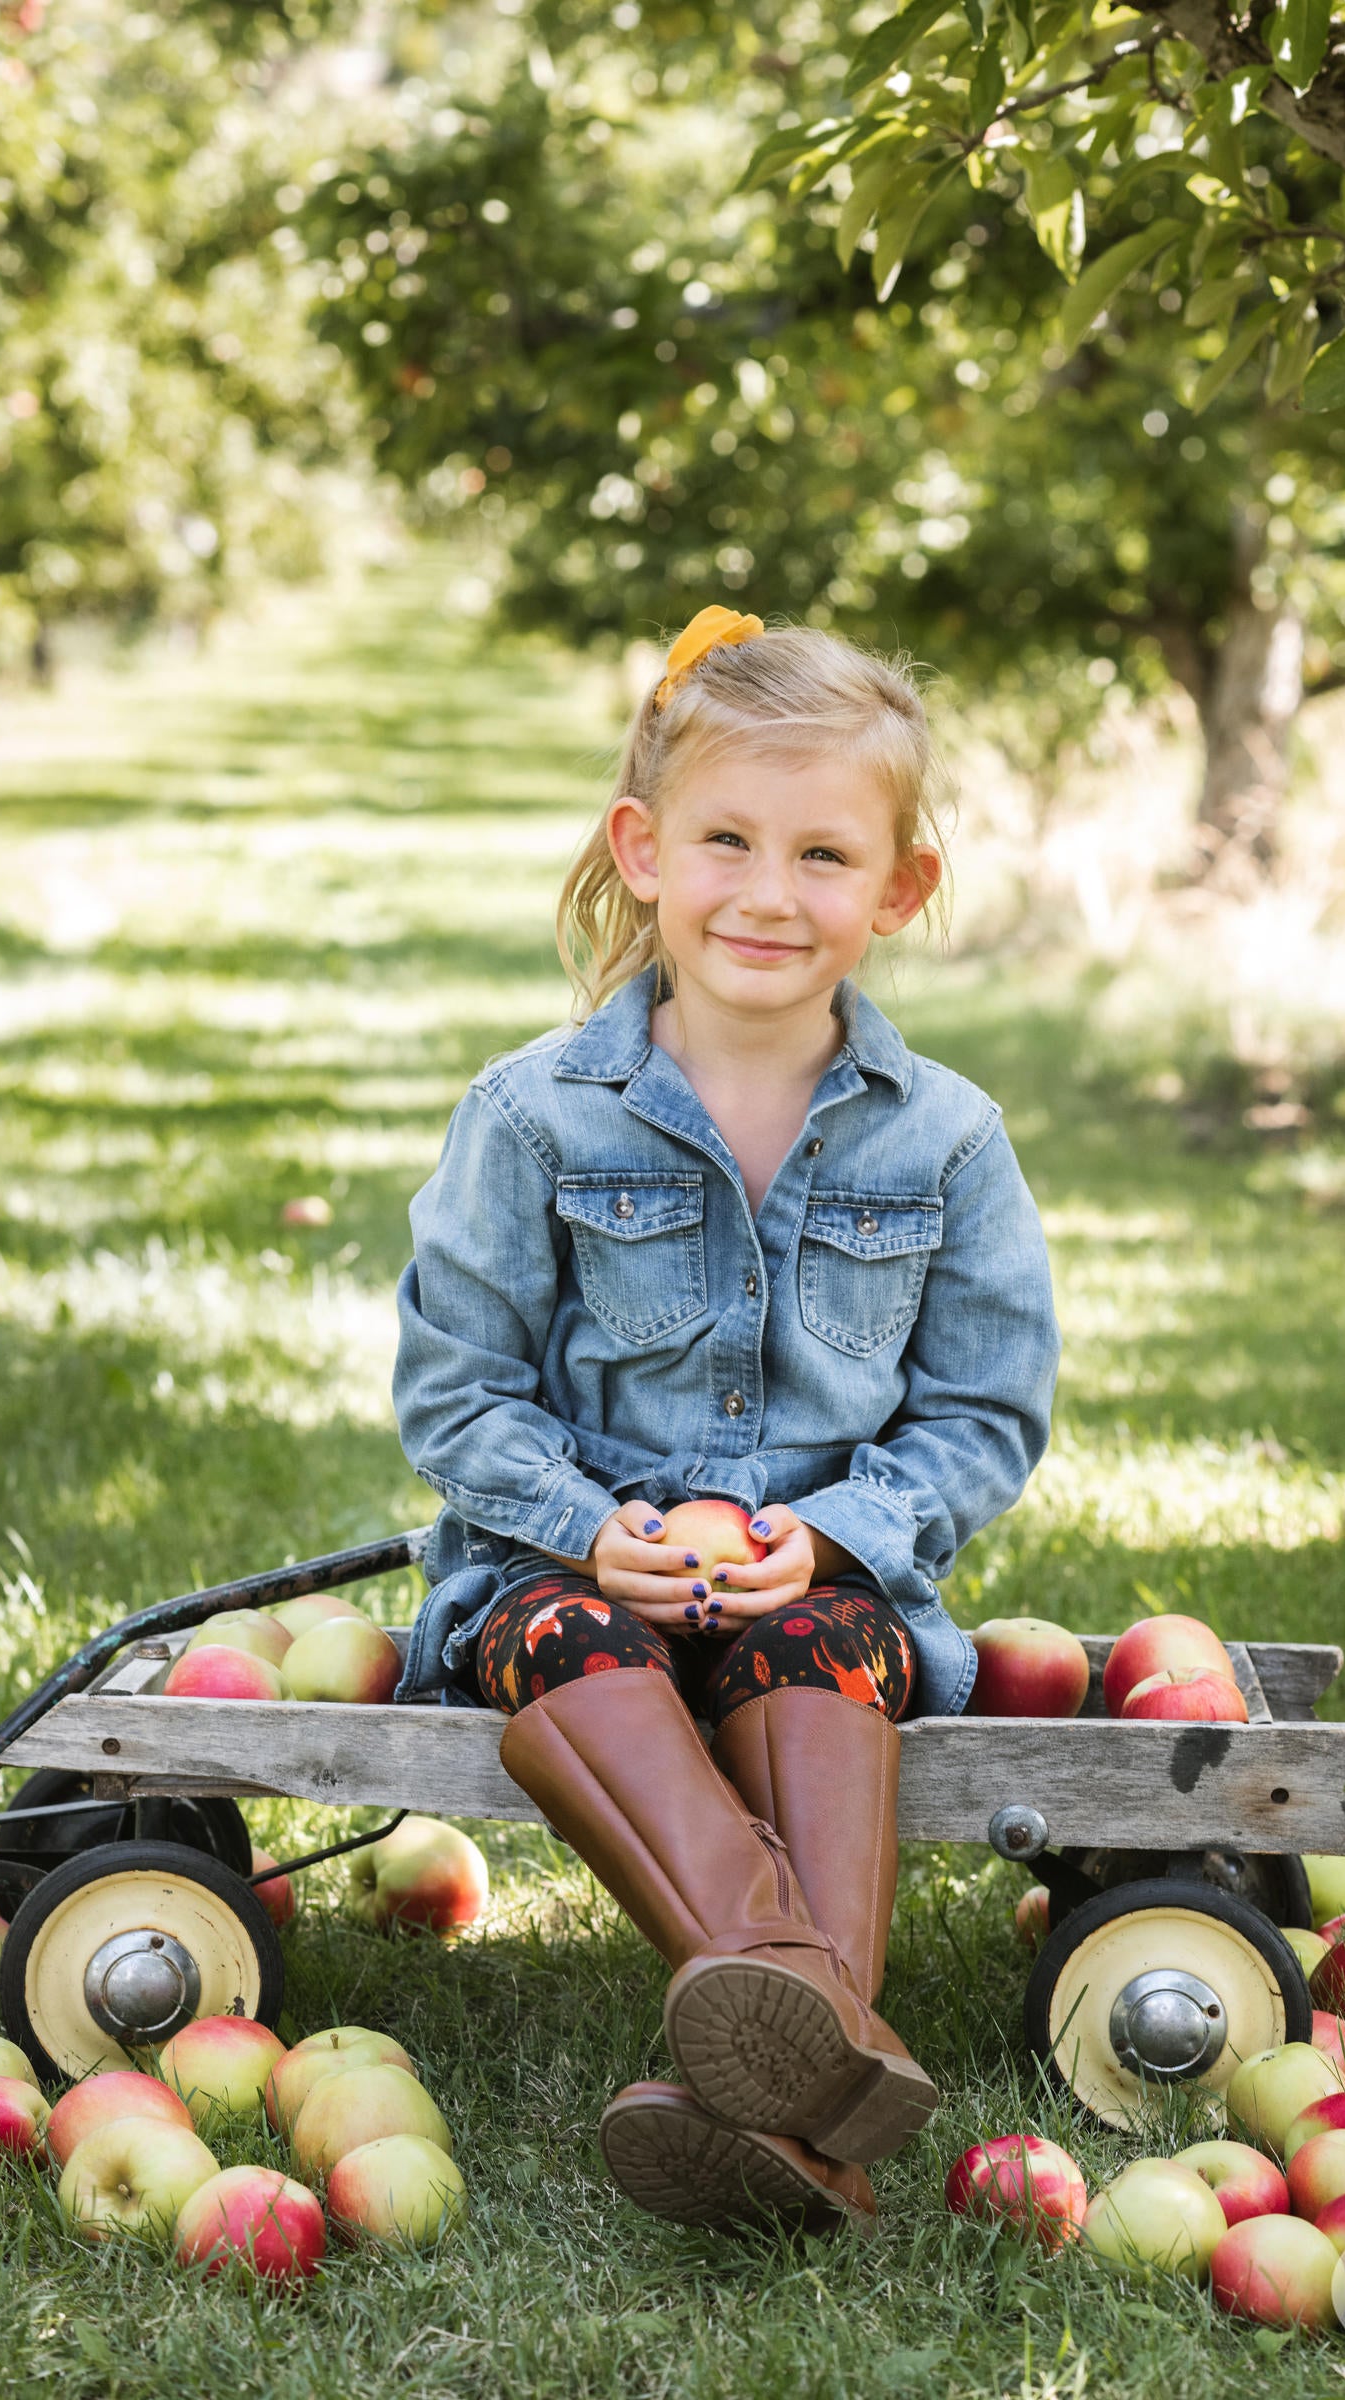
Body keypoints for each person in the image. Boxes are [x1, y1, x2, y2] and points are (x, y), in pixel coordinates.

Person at [392, 603, 1061, 2236]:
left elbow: (984, 1414)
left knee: (824, 1643)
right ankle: (826, 2033)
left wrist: (831, 1531)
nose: (771, 893)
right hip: (570, 1579)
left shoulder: (950, 1142)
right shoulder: (533, 1114)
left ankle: (761, 2080)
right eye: (728, 842)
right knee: (557, 1632)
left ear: (901, 888)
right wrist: (588, 1527)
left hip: (816, 1587)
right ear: (643, 848)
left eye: (827, 855)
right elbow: (454, 1389)